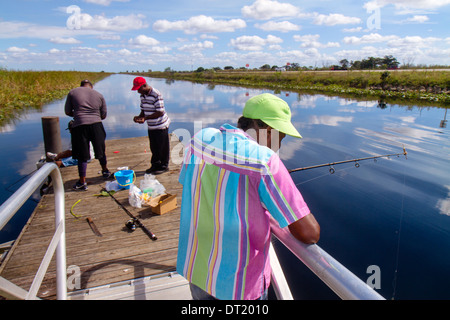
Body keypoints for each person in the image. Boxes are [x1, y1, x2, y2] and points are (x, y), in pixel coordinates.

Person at [177, 93, 320, 300]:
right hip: (237, 286)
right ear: (269, 131)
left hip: (197, 270)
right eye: (282, 136)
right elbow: (309, 233)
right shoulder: (265, 161)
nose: (280, 144)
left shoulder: (199, 139)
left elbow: (191, 184)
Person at [65, 79, 111, 191]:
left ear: (80, 86)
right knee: (100, 150)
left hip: (79, 126)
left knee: (82, 155)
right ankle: (105, 171)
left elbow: (67, 111)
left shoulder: (72, 92)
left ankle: (82, 182)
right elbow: (103, 115)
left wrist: (78, 114)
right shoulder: (99, 95)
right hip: (96, 125)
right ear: (91, 87)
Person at [132, 77, 170, 175]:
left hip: (161, 125)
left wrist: (145, 118)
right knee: (154, 147)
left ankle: (164, 166)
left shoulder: (156, 94)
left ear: (144, 85)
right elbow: (143, 110)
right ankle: (155, 165)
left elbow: (160, 112)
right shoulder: (143, 95)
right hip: (152, 126)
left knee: (162, 147)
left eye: (139, 89)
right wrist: (139, 117)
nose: (138, 92)